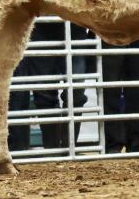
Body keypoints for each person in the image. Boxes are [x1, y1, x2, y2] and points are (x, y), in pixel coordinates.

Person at [7, 21, 89, 152]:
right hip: (40, 25)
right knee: (44, 93)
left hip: (74, 24)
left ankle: (69, 148)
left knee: (76, 91)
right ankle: (53, 150)